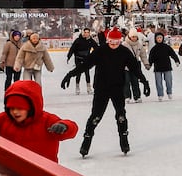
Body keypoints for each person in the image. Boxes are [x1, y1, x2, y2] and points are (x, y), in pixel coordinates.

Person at [60, 27, 150, 157]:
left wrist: (144, 82)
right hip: (101, 88)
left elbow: (135, 69)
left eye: (116, 42)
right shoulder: (100, 51)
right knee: (96, 116)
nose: (114, 45)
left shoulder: (124, 52)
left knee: (121, 115)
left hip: (117, 88)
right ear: (108, 41)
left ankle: (124, 140)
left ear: (120, 41)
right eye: (111, 42)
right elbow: (86, 64)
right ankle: (86, 141)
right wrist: (70, 75)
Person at [0, 80, 78, 162]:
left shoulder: (47, 121)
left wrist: (64, 127)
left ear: (32, 107)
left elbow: (72, 128)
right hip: (11, 173)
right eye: (11, 108)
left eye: (20, 108)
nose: (15, 112)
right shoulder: (5, 119)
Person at [147, 32, 180, 101]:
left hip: (167, 67)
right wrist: (149, 65)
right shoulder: (154, 49)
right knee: (158, 82)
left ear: (162, 38)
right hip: (158, 68)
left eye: (160, 38)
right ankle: (160, 94)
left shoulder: (166, 47)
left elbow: (173, 54)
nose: (159, 39)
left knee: (169, 81)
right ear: (155, 39)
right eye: (158, 38)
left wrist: (176, 60)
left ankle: (169, 92)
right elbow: (151, 58)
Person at [67, 27, 98, 94]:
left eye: (88, 32)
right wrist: (69, 56)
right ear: (83, 33)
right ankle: (77, 87)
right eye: (85, 32)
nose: (86, 34)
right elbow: (72, 49)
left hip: (87, 59)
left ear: (89, 33)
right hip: (78, 58)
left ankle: (88, 88)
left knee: (87, 73)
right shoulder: (78, 40)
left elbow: (97, 48)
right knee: (78, 73)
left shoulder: (90, 40)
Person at [123, 29, 148, 103]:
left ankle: (137, 96)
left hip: (135, 66)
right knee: (126, 81)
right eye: (132, 36)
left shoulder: (139, 44)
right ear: (130, 37)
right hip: (126, 66)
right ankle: (127, 96)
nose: (134, 38)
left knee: (135, 81)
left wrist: (146, 63)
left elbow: (143, 55)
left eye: (135, 36)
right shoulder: (125, 44)